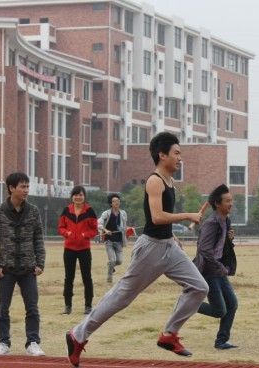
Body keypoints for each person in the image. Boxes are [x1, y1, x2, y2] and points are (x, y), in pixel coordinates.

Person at [65, 132, 208, 367]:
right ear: (162, 155)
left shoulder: (170, 181)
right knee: (122, 296)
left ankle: (169, 335)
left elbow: (160, 221)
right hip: (150, 249)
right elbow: (157, 217)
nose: (180, 158)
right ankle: (78, 335)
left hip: (168, 247)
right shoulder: (154, 181)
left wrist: (172, 236)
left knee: (199, 287)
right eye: (176, 153)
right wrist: (186, 216)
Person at [0, 172, 46, 356]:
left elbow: (38, 239)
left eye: (27, 186)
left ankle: (33, 342)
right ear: (12, 188)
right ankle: (3, 343)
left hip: (28, 268)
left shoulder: (34, 211)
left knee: (32, 308)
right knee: (2, 308)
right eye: (22, 186)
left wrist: (40, 263)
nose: (26, 190)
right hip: (6, 268)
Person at [193, 184, 239, 350]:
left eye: (231, 200)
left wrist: (229, 239)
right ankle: (189, 304)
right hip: (208, 270)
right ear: (218, 204)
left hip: (219, 269)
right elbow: (204, 250)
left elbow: (220, 246)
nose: (231, 204)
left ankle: (221, 341)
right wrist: (219, 267)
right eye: (227, 201)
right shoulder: (211, 223)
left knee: (232, 304)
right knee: (219, 310)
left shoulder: (226, 220)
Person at [58, 185, 98, 315]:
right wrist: (67, 233)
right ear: (72, 196)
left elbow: (94, 230)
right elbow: (61, 227)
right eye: (75, 195)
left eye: (80, 195)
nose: (78, 197)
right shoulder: (66, 210)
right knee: (68, 277)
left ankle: (88, 306)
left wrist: (85, 235)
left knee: (87, 277)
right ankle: (67, 306)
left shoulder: (90, 211)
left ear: (84, 196)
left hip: (84, 249)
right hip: (69, 248)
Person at [98, 193, 128, 283]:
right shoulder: (106, 213)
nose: (116, 202)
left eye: (118, 201)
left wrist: (128, 229)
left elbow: (124, 226)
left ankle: (110, 265)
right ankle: (109, 277)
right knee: (112, 260)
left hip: (119, 241)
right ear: (111, 203)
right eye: (114, 201)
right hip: (109, 240)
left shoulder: (123, 213)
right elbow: (99, 223)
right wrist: (105, 230)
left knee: (119, 261)